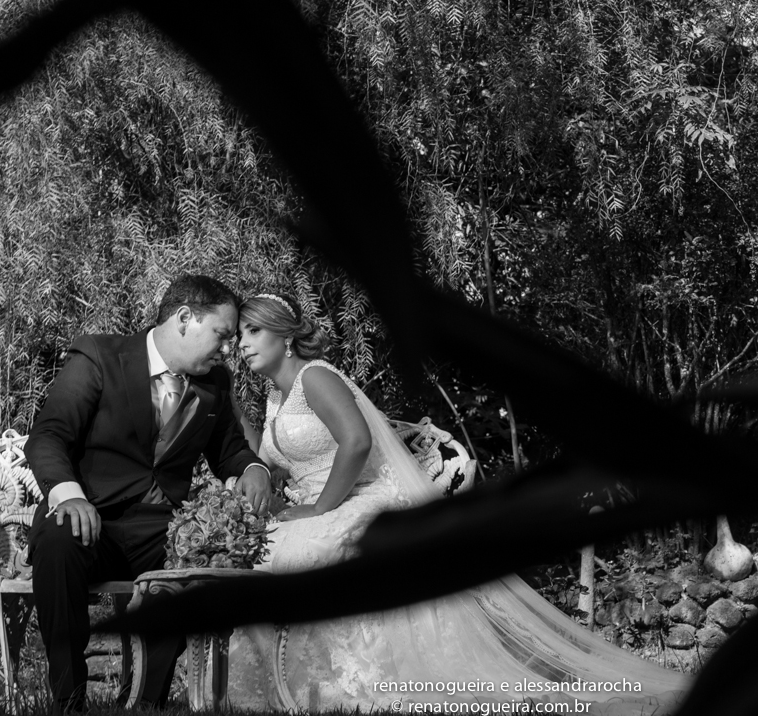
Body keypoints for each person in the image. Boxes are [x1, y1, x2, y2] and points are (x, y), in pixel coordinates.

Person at [227, 293, 689, 714]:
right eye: (240, 335)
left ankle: (345, 686)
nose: (243, 344)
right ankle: (294, 687)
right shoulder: (276, 397)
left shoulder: (316, 378)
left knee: (303, 554)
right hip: (316, 501)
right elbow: (264, 458)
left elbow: (357, 442)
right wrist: (228, 404)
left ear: (286, 336)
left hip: (357, 497)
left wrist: (321, 509)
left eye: (254, 331)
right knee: (257, 558)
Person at [24, 275, 271, 714]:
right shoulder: (99, 356)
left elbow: (229, 450)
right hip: (89, 516)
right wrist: (69, 495)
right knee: (57, 538)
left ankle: (145, 701)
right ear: (184, 319)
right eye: (222, 334)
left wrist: (254, 468)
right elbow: (49, 435)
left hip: (159, 528)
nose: (229, 348)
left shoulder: (215, 383)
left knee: (199, 559)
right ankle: (67, 698)